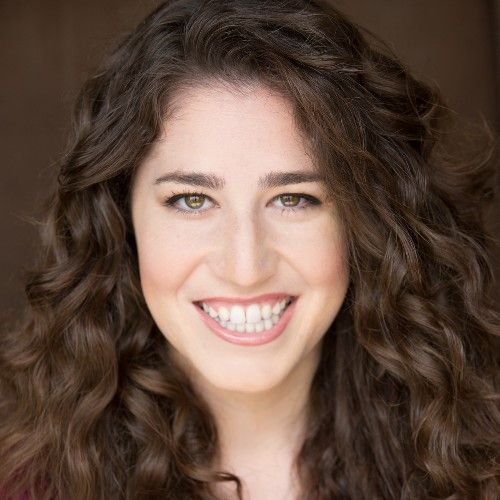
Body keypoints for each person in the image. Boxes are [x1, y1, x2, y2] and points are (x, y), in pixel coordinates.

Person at [0, 0, 498, 498]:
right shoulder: (30, 486)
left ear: (364, 218)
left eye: (293, 199)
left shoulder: (480, 465)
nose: (245, 268)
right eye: (193, 200)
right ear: (122, 221)